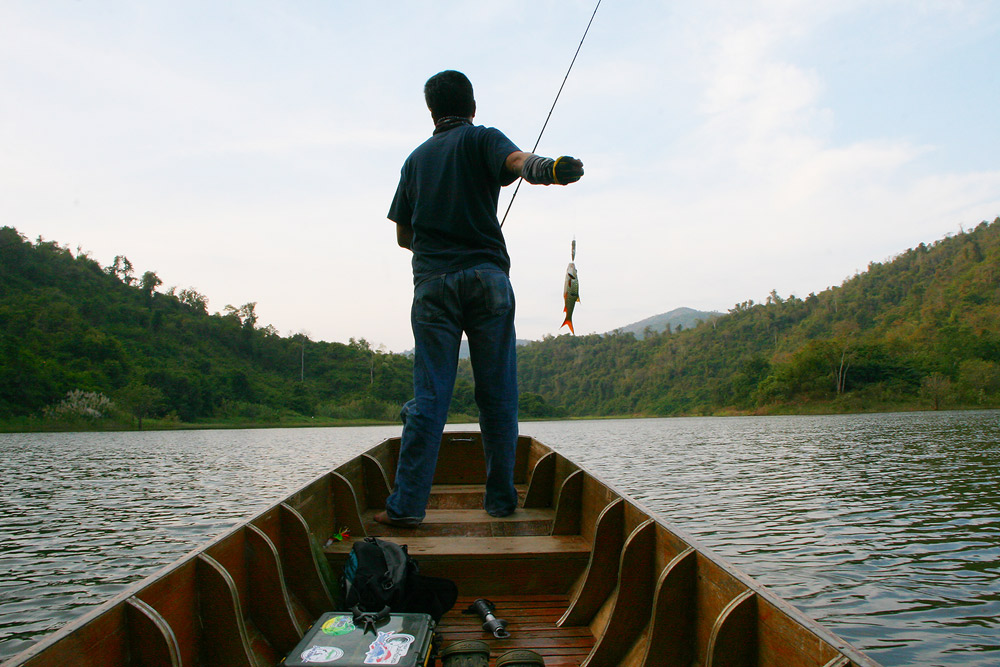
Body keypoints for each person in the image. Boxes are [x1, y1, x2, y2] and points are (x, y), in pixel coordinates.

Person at [377, 70, 583, 528]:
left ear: (432, 111)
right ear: (472, 105)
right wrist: (550, 170)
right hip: (488, 280)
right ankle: (500, 501)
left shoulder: (414, 161)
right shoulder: (483, 139)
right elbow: (519, 162)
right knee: (497, 396)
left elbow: (403, 235)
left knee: (430, 399)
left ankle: (408, 506)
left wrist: (437, 247)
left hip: (431, 286)